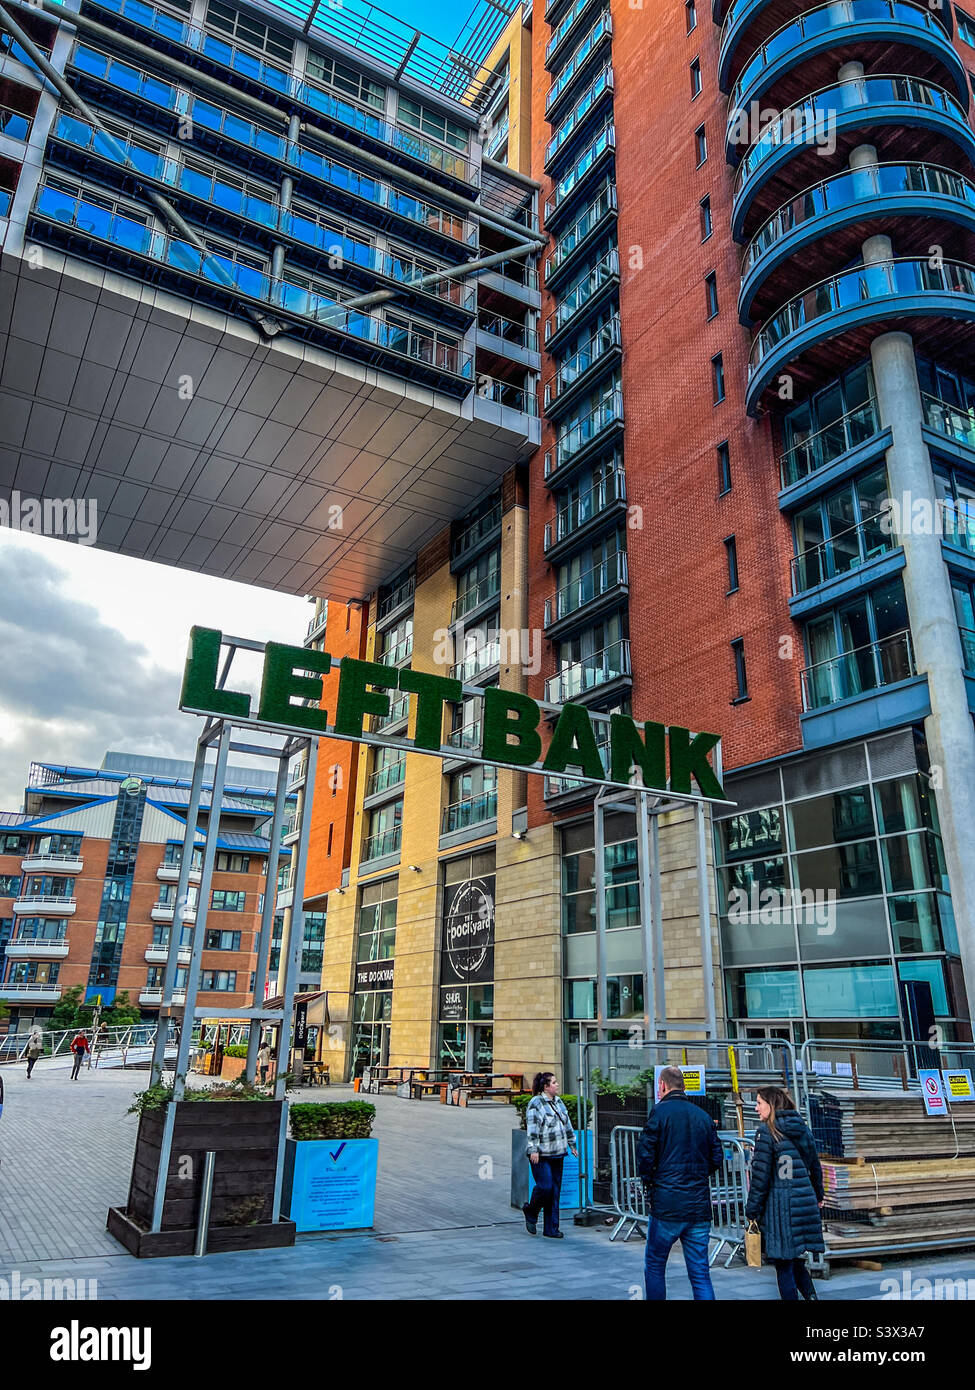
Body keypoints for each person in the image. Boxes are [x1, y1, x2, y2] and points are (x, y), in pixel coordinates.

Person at [636, 1065, 724, 1300]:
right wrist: (697, 1175)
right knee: (700, 1273)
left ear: (662, 1086)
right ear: (684, 1087)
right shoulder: (703, 1117)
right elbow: (717, 1157)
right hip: (698, 1205)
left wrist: (651, 1182)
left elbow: (644, 1155)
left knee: (655, 1265)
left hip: (667, 1204)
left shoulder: (659, 1113)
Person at [745, 1085, 824, 1301]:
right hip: (803, 1201)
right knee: (794, 1259)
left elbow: (760, 1178)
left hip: (780, 1206)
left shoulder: (766, 1133)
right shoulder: (801, 1127)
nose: (756, 1108)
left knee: (783, 1262)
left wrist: (752, 1210)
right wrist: (818, 1196)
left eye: (759, 1103)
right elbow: (814, 1165)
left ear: (771, 1104)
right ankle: (811, 1297)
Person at [522, 1072, 578, 1240]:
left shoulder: (559, 1102)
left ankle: (551, 1228)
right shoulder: (536, 1103)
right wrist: (533, 1150)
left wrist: (572, 1144)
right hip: (542, 1154)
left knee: (554, 1191)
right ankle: (531, 1211)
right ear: (546, 1087)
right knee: (545, 1187)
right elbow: (532, 1129)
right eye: (554, 1082)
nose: (557, 1084)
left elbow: (567, 1124)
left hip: (558, 1153)